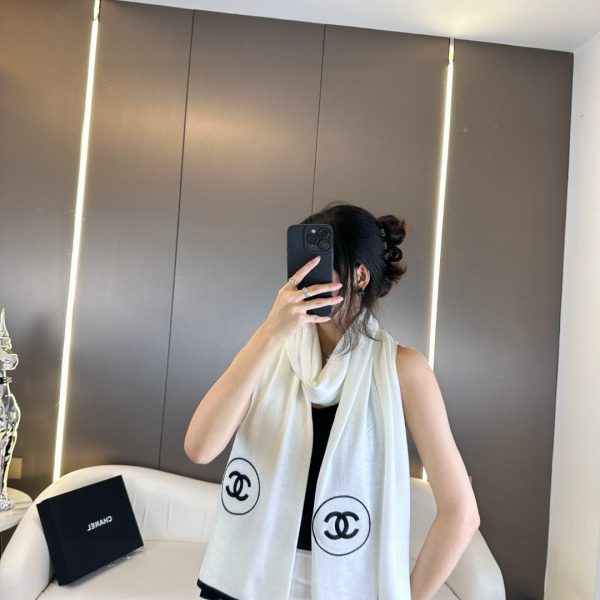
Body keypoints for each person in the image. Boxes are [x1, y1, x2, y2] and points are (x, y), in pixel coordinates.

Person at [185, 201, 480, 600]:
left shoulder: (403, 370)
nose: (305, 278)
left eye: (320, 264)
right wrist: (270, 332)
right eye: (300, 264)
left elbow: (462, 513)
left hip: (347, 586)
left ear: (360, 275)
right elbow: (200, 447)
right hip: (248, 577)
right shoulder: (273, 349)